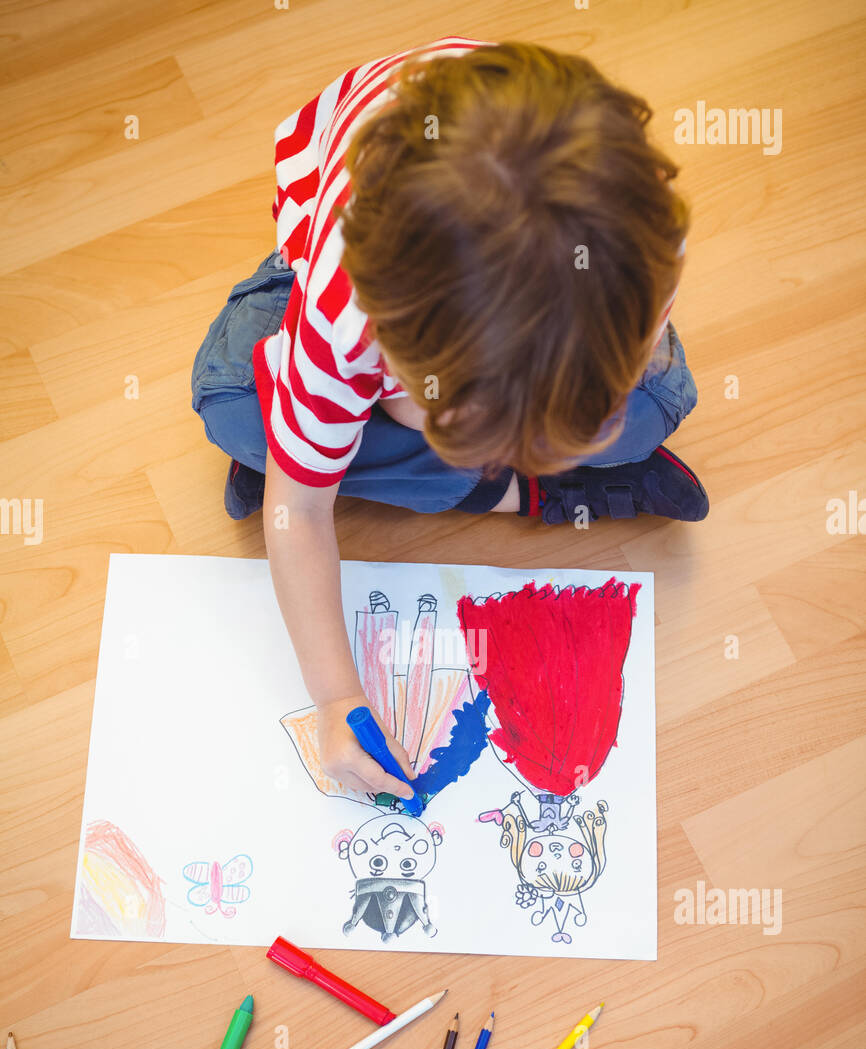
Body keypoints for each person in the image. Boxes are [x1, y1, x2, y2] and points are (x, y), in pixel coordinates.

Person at [191, 37, 706, 801]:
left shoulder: (645, 242)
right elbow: (297, 514)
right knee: (235, 409)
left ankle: (338, 453)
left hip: (492, 320)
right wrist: (337, 701)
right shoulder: (346, 314)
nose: (511, 453)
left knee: (655, 407)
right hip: (322, 266)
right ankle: (508, 486)